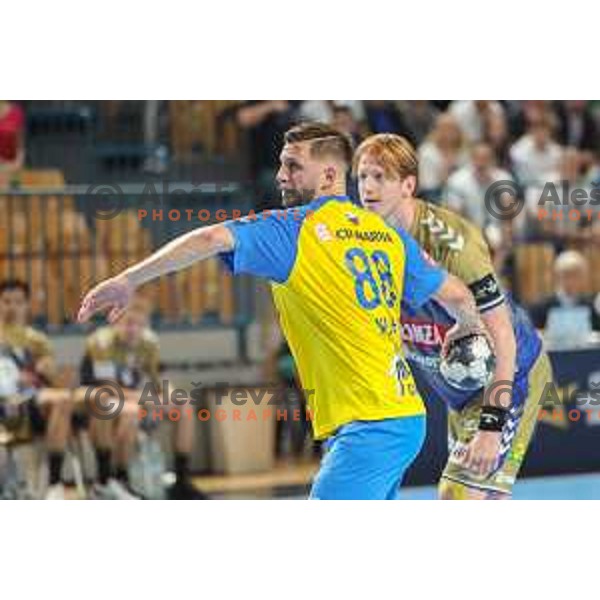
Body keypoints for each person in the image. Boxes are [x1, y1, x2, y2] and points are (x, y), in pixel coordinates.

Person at [78, 122, 484, 500]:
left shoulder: (293, 229)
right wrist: (467, 324)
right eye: (281, 165)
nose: (280, 176)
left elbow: (207, 238)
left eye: (293, 166)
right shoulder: (387, 235)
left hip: (371, 425)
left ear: (328, 176)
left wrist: (130, 280)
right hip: (403, 417)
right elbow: (458, 294)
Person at [354, 133, 554, 499]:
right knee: (484, 497)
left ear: (408, 185)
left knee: (458, 497)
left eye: (380, 176)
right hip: (457, 388)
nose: (368, 187)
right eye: (362, 177)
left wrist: (491, 428)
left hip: (512, 373)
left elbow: (503, 339)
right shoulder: (359, 243)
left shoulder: (452, 243)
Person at [80, 292, 205, 499]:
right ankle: (118, 479)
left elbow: (160, 380)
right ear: (116, 321)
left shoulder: (148, 343)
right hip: (97, 399)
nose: (133, 329)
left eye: (140, 324)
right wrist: (148, 399)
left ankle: (181, 479)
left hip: (136, 399)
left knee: (184, 406)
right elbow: (108, 388)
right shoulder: (100, 343)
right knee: (130, 410)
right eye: (128, 323)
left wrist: (170, 397)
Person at [0, 279, 73, 499]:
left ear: (27, 305)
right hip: (4, 402)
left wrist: (50, 372)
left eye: (19, 302)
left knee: (63, 399)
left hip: (30, 402)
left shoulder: (37, 341)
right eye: (6, 301)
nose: (12, 307)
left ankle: (54, 483)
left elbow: (59, 384)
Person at [529, 250, 600, 335]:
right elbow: (533, 333)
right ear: (557, 277)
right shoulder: (541, 306)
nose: (572, 280)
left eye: (577, 275)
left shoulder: (591, 305)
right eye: (567, 275)